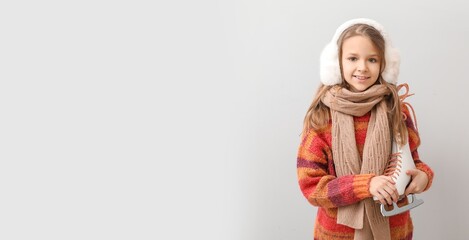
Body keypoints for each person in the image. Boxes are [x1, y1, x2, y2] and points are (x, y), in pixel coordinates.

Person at [297, 18, 434, 240]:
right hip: (337, 234)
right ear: (337, 64)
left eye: (372, 59)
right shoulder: (322, 119)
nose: (362, 67)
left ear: (384, 65)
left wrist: (423, 177)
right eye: (352, 58)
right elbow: (311, 186)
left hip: (394, 230)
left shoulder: (397, 113)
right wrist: (365, 184)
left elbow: (413, 161)